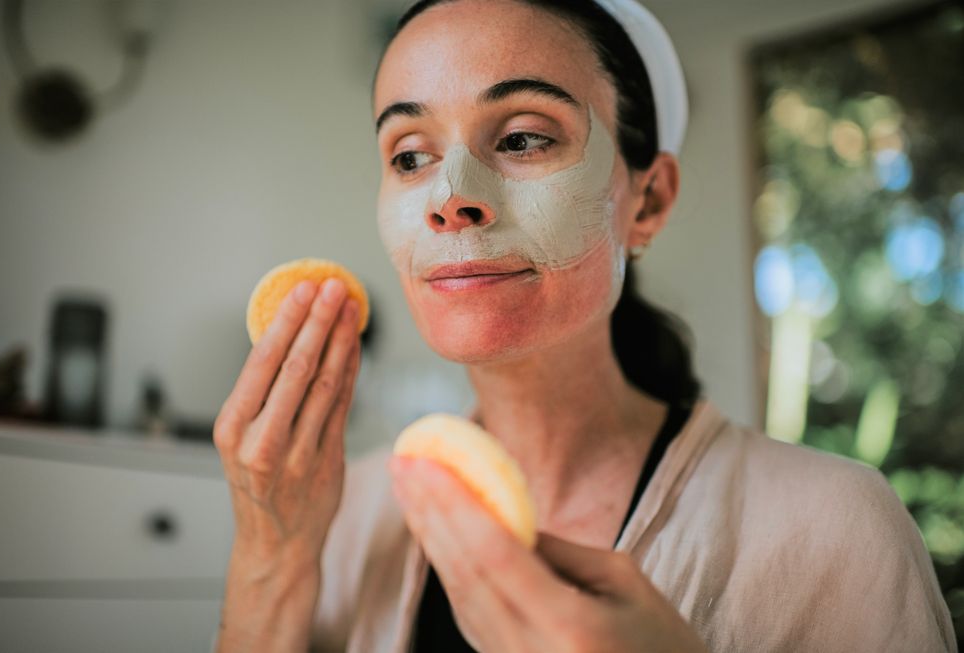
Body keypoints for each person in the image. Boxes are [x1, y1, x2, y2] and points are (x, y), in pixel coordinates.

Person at [212, 1, 957, 651]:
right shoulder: (345, 516)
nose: (450, 198)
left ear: (649, 200)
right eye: (410, 154)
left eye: (525, 138)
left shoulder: (831, 529)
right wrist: (271, 555)